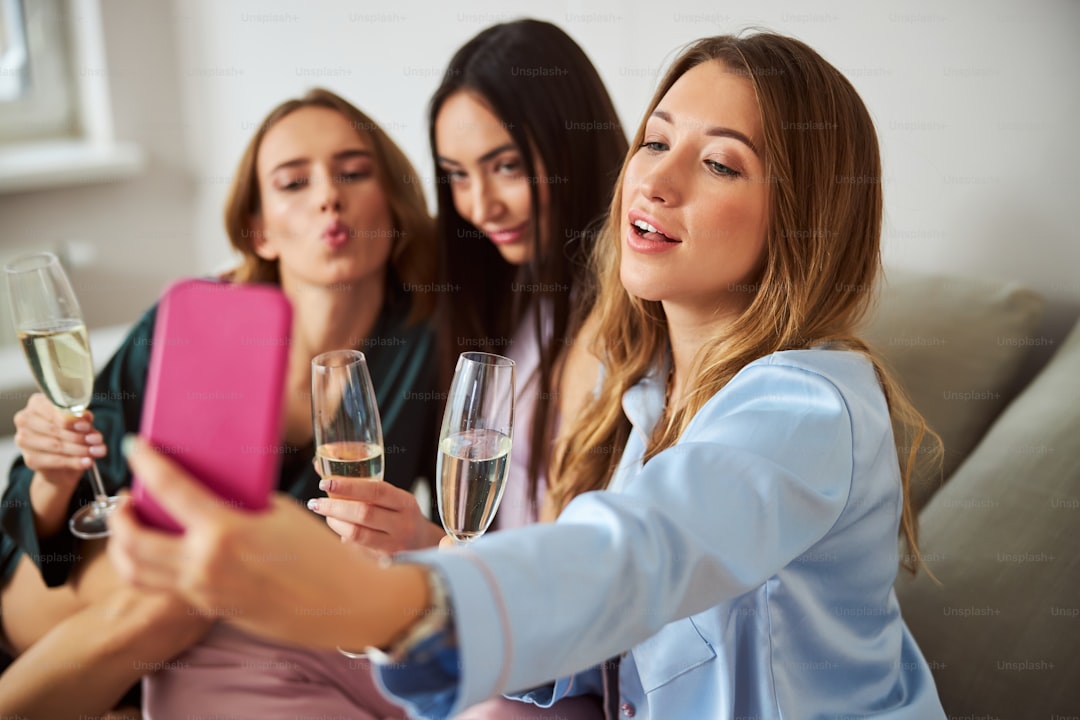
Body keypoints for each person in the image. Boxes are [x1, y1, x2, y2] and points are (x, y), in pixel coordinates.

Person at [107, 32, 948, 720]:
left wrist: (374, 603)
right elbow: (601, 648)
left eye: (719, 163)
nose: (652, 177)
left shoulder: (807, 404)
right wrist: (421, 557)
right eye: (655, 140)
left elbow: (637, 558)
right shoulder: (648, 407)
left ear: (802, 216)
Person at [0, 87, 439, 718]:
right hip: (68, 581)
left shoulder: (426, 341)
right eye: (293, 182)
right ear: (259, 231)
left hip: (242, 623)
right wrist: (52, 474)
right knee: (188, 591)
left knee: (208, 590)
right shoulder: (194, 321)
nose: (327, 196)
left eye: (353, 172)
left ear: (392, 205)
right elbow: (41, 506)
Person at [306, 21, 626, 718]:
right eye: (456, 176)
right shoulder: (520, 307)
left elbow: (591, 577)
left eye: (505, 165)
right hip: (513, 640)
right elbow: (502, 540)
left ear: (572, 140)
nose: (480, 207)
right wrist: (422, 538)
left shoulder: (634, 323)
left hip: (573, 671)